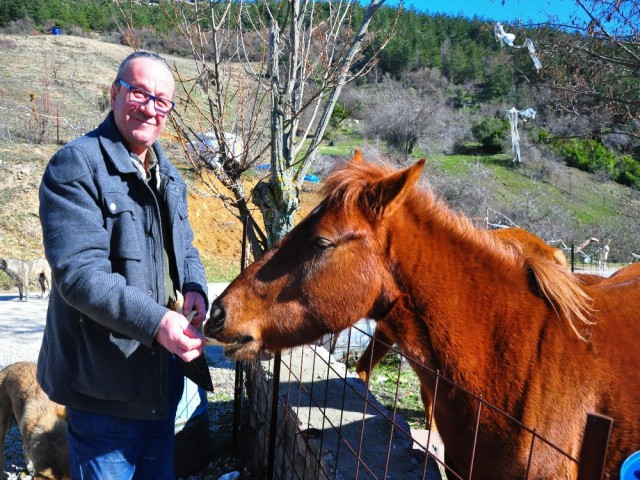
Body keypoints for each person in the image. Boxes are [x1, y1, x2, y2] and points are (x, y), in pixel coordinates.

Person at [37, 51, 210, 479]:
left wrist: (195, 288)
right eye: (139, 93)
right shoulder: (75, 166)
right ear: (115, 93)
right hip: (102, 387)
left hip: (160, 381)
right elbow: (79, 277)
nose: (150, 108)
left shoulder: (169, 177)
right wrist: (158, 324)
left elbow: (186, 249)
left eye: (161, 100)